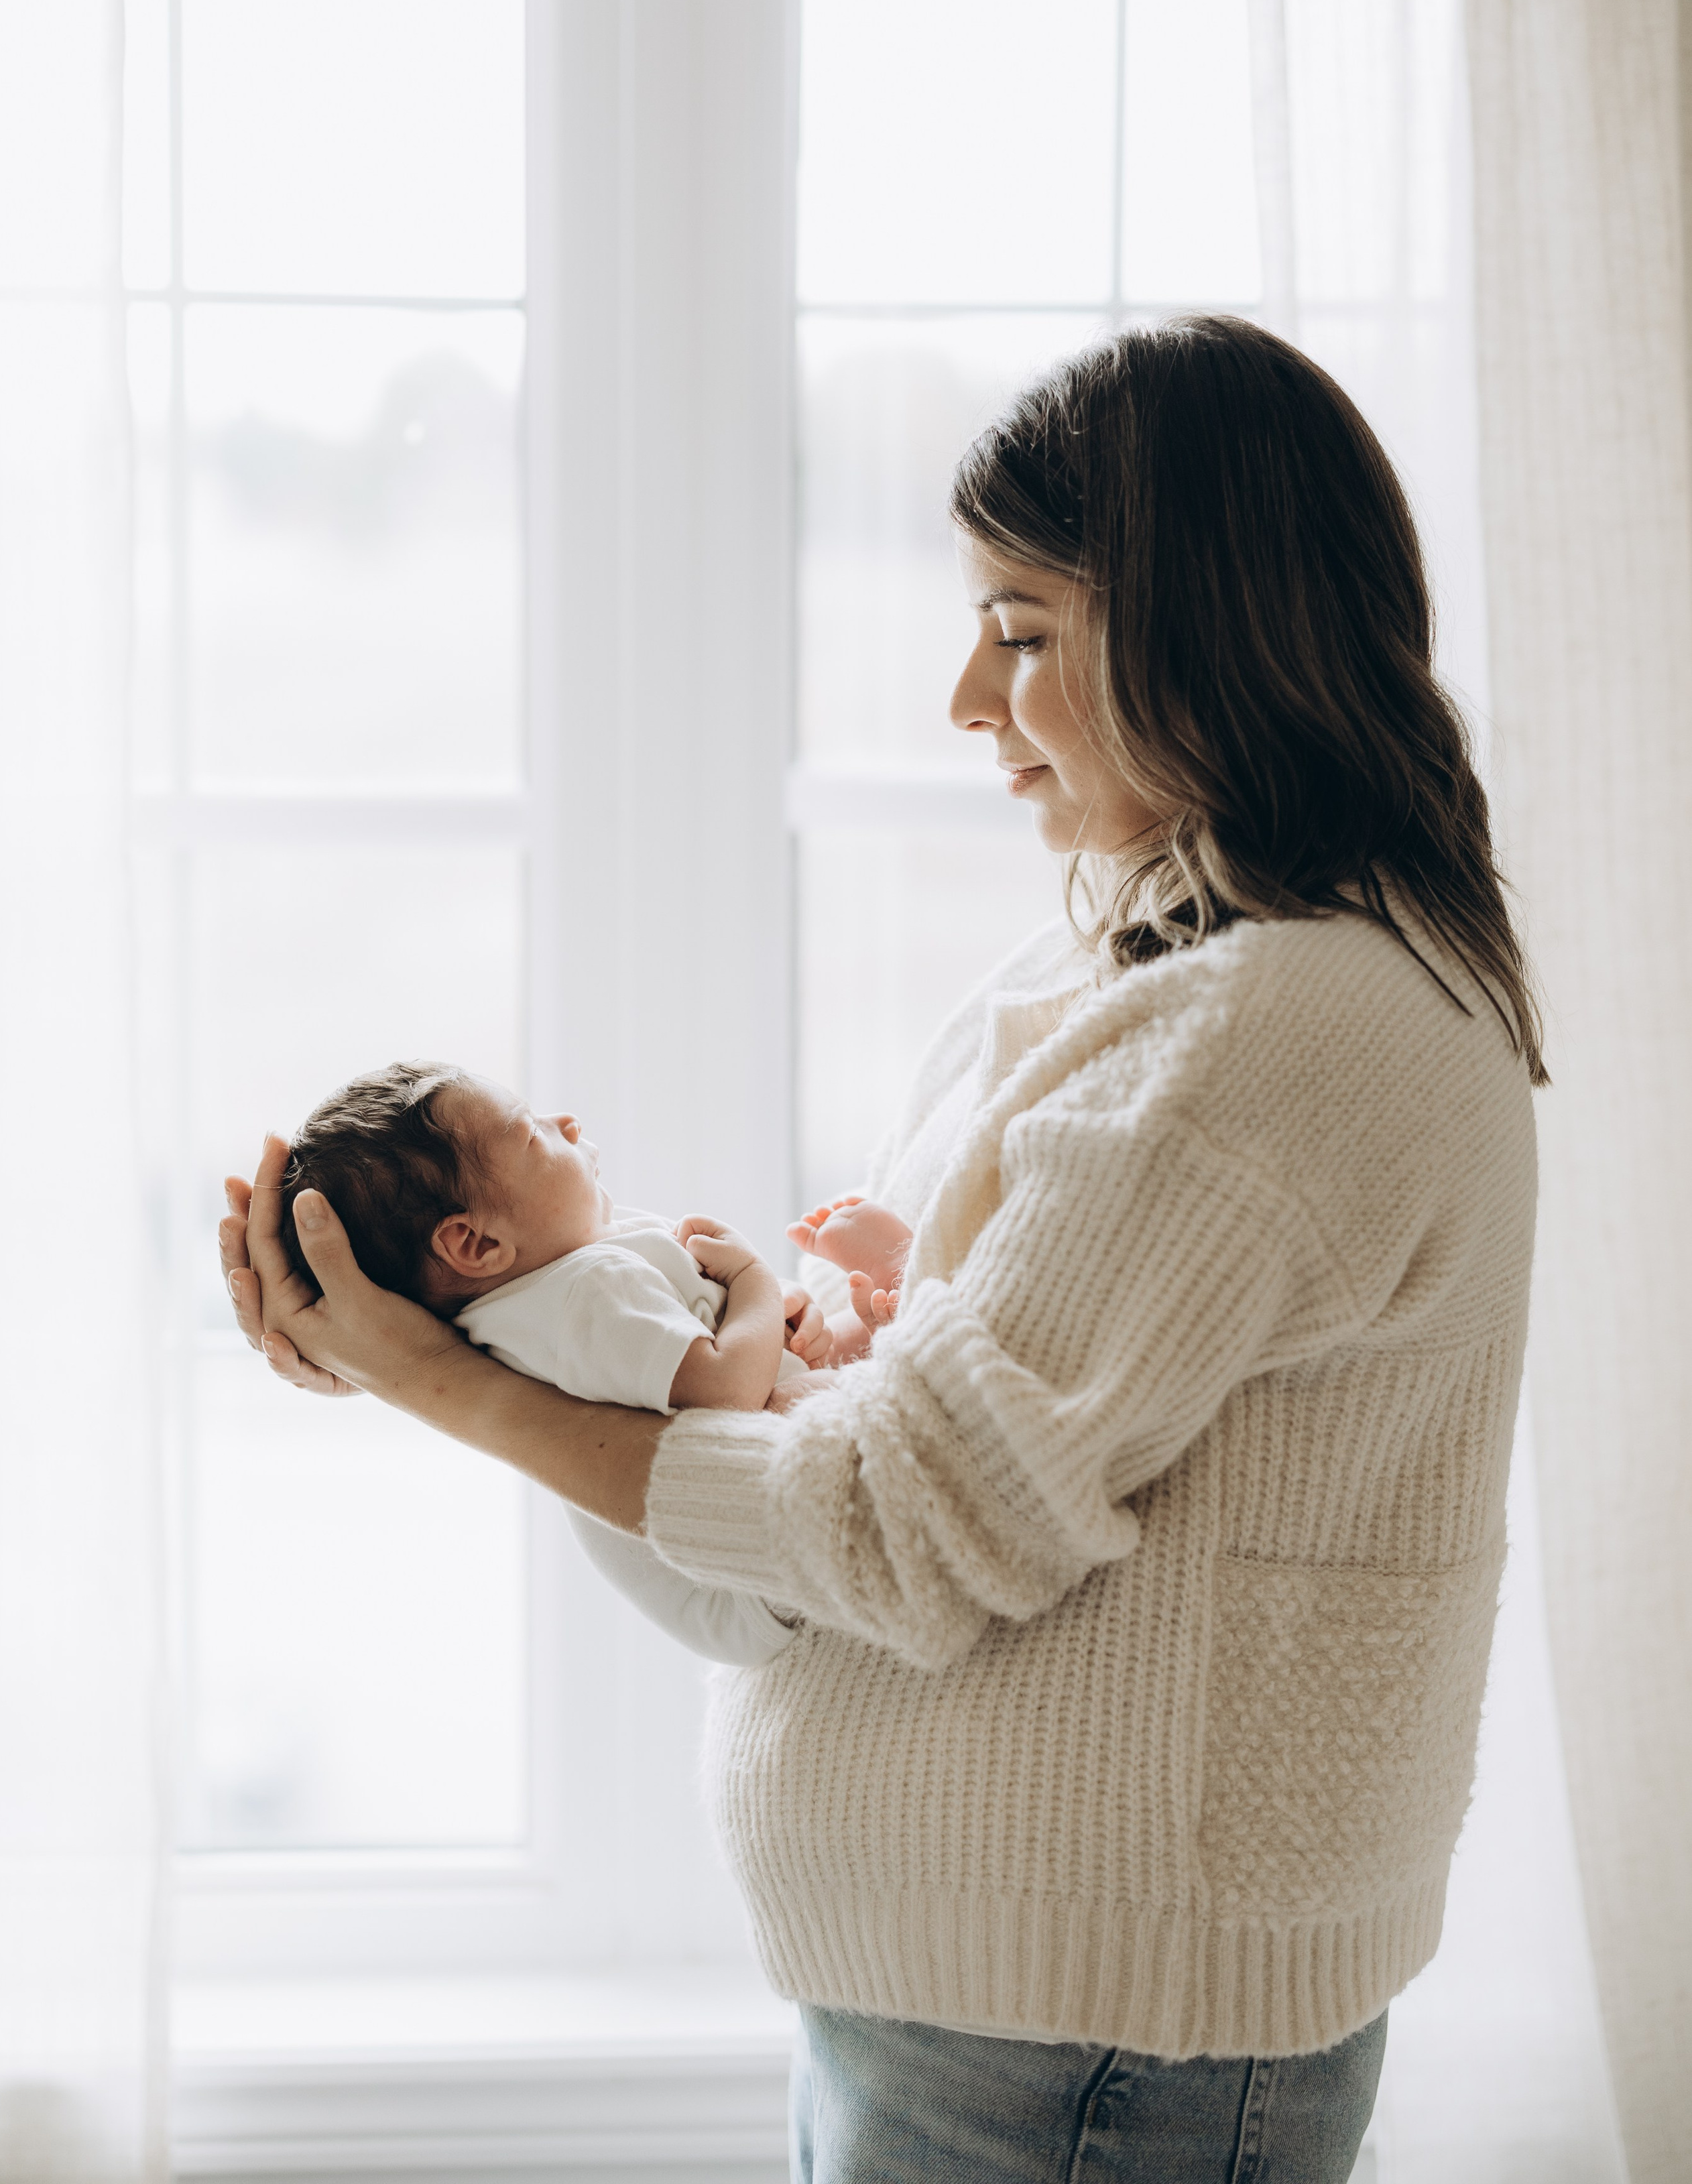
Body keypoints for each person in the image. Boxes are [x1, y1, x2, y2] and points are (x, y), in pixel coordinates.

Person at [223, 316, 1543, 2184]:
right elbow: (907, 1389)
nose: (963, 702)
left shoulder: (1269, 1031)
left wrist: (444, 1382)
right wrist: (442, 1318)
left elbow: (901, 1521)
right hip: (1022, 2022)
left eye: (1020, 633)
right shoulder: (1152, 962)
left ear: (1210, 629)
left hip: (1087, 2046)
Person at [275, 1055, 843, 1666]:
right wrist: (755, 1281)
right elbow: (728, 1396)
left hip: (734, 1565)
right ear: (477, 1244)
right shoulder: (586, 1291)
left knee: (845, 1341)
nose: (566, 1122)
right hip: (744, 1578)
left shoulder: (531, 1294)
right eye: (531, 1133)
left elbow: (707, 1341)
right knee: (837, 1393)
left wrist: (771, 1317)